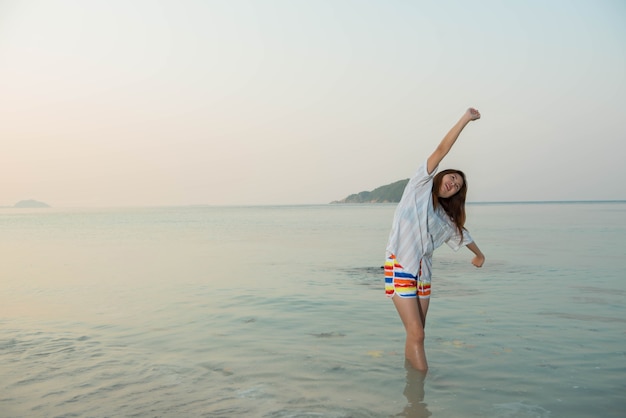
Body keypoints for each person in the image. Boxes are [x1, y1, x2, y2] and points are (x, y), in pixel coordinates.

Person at [385, 107, 485, 373]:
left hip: (424, 273)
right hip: (401, 264)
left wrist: (479, 254)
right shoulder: (419, 185)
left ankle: (411, 390)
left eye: (459, 186)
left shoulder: (444, 217)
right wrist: (465, 119)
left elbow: (463, 235)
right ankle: (422, 390)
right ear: (443, 175)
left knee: (417, 333)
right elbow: (441, 149)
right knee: (417, 334)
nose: (454, 184)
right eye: (453, 178)